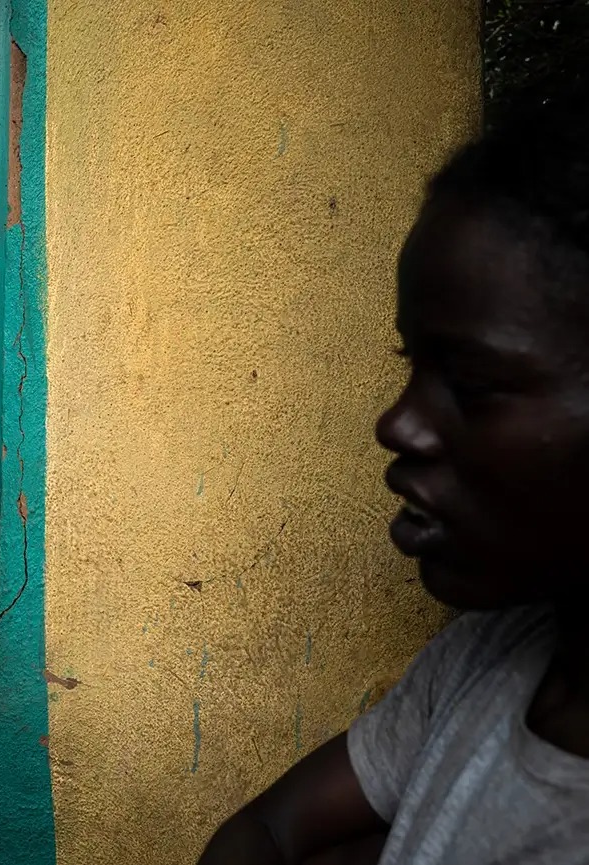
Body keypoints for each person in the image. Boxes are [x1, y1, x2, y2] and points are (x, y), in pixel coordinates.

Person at [198, 90, 589, 865]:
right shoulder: (492, 657)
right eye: (412, 365)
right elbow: (267, 832)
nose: (397, 424)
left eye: (472, 381)